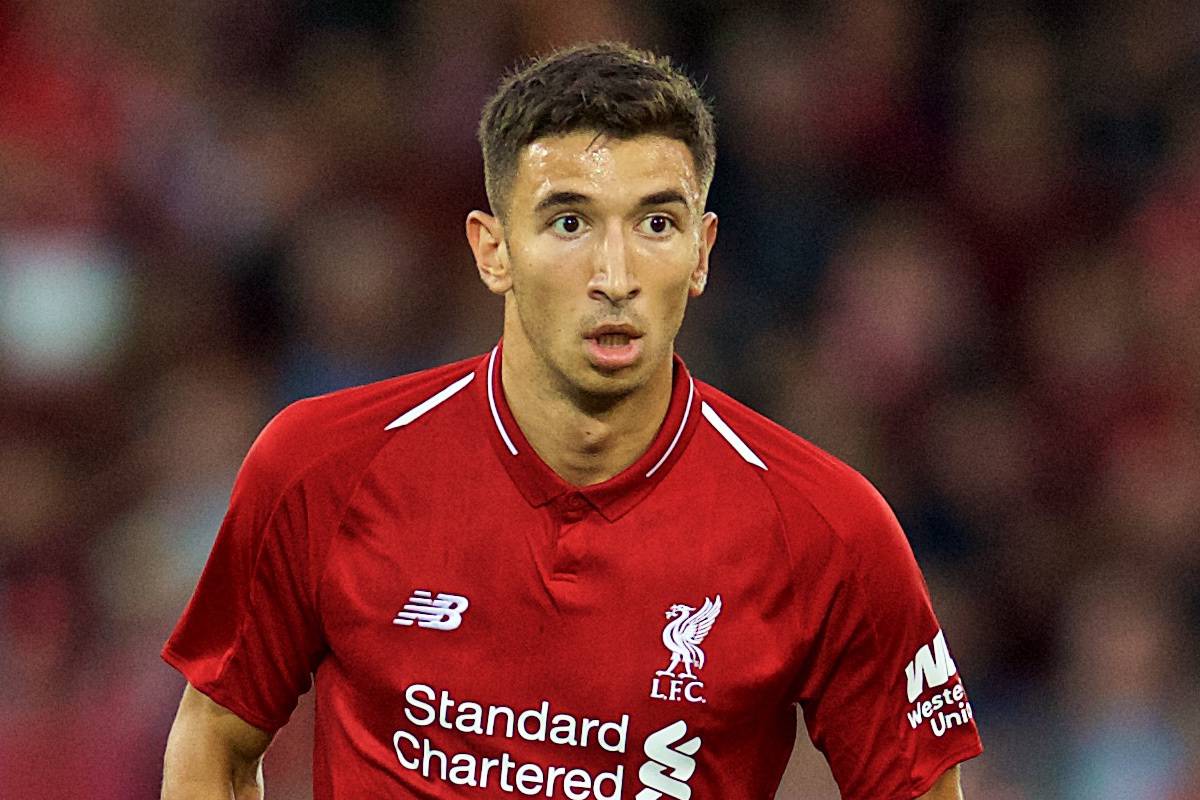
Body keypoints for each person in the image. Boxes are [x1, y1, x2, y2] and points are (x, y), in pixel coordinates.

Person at [161, 41, 982, 799]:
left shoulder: (826, 528)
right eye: (569, 221)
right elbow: (215, 738)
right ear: (493, 250)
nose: (615, 274)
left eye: (656, 223)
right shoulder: (321, 465)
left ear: (701, 252)